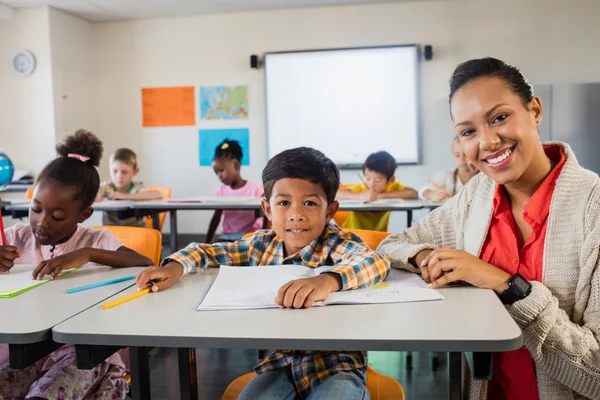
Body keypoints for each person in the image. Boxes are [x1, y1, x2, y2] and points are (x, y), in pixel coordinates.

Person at [378, 57, 600, 399]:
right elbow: (392, 244)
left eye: (499, 118)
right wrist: (426, 254)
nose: (487, 142)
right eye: (468, 132)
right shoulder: (477, 195)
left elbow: (596, 372)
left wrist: (505, 284)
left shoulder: (593, 206)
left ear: (535, 111)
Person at [136, 147, 390, 400]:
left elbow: (375, 261)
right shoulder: (260, 245)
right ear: (268, 210)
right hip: (281, 365)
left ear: (330, 211)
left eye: (310, 203)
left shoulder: (336, 242)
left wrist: (327, 280)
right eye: (283, 203)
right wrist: (175, 266)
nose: (296, 214)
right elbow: (206, 252)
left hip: (338, 366)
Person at [0, 129, 153, 400]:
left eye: (57, 215)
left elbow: (143, 262)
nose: (42, 222)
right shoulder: (15, 238)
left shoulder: (93, 239)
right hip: (23, 354)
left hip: (83, 355)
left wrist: (87, 254)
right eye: (35, 208)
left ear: (84, 214)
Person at [336, 151, 418, 231]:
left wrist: (380, 196)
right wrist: (360, 195)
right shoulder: (363, 187)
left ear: (391, 180)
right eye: (368, 178)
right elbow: (336, 194)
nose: (371, 184)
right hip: (353, 234)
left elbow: (413, 193)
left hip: (381, 238)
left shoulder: (393, 187)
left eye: (378, 180)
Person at [206, 139, 264, 243]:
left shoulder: (255, 190)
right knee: (211, 249)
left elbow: (265, 216)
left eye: (221, 170)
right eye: (216, 173)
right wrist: (206, 242)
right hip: (227, 237)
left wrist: (265, 241)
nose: (219, 176)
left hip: (250, 237)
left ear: (236, 165)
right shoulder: (221, 192)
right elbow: (216, 218)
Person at [96, 148, 163, 227]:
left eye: (124, 172)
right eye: (115, 171)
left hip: (136, 231)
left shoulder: (136, 188)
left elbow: (158, 194)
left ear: (135, 171)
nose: (119, 176)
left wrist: (126, 196)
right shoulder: (106, 187)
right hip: (111, 231)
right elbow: (95, 197)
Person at [419, 136, 478, 201]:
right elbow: (422, 191)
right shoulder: (445, 176)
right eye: (457, 155)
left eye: (466, 155)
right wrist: (431, 194)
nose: (461, 159)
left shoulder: (485, 177)